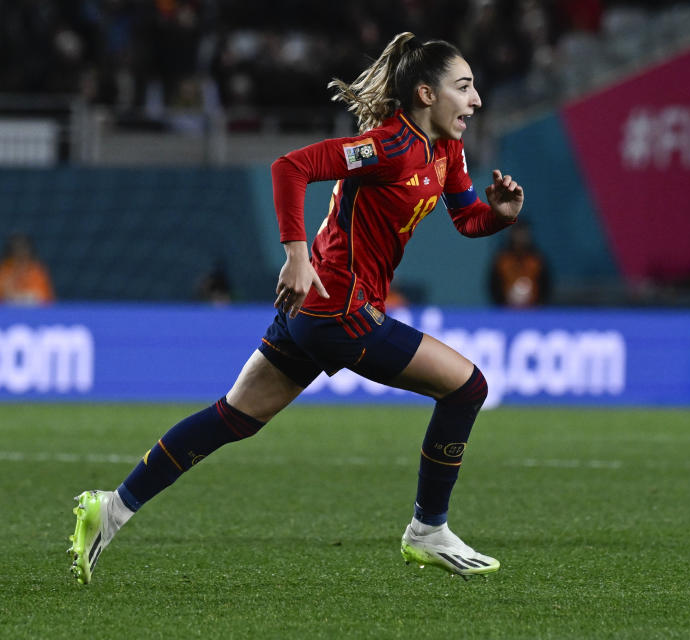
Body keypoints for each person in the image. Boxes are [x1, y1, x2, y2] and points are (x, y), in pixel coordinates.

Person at [68, 32, 524, 584]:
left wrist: (497, 214)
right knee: (468, 387)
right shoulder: (387, 146)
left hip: (315, 312)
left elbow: (467, 218)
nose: (476, 99)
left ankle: (110, 508)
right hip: (338, 309)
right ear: (427, 93)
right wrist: (295, 256)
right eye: (464, 86)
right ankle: (428, 530)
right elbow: (290, 167)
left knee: (233, 416)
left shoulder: (447, 151)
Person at [488, 220, 550, 307]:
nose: (521, 237)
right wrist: (501, 304)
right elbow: (493, 286)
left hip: (534, 311)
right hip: (506, 310)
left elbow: (545, 285)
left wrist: (539, 303)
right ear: (512, 234)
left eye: (523, 233)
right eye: (518, 233)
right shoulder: (502, 259)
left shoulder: (537, 259)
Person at [0, 233, 56, 305]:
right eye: (16, 249)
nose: (20, 252)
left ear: (29, 251)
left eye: (23, 249)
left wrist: (25, 297)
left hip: (34, 314)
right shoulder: (4, 271)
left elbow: (46, 299)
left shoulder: (36, 271)